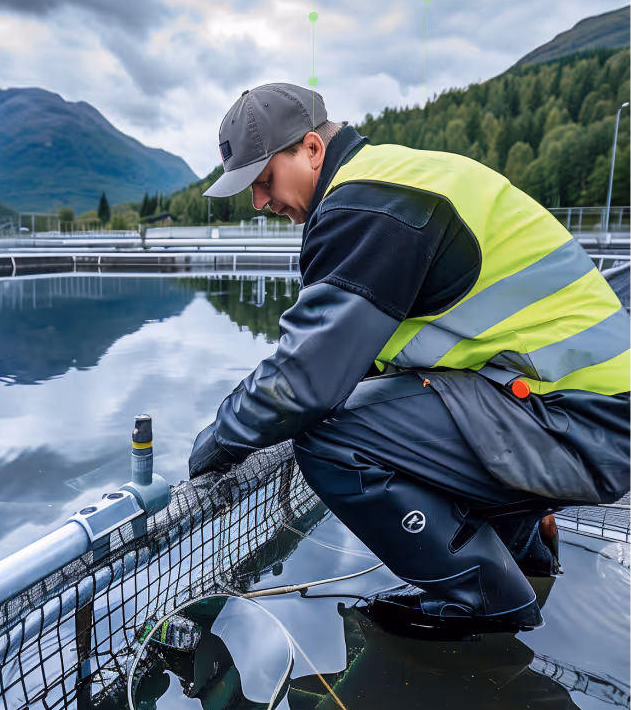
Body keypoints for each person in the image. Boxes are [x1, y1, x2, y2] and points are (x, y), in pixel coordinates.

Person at [188, 82, 631, 635]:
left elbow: (306, 380)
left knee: (327, 437)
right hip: (587, 408)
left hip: (579, 422)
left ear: (311, 149)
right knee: (379, 404)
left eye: (263, 180)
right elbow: (362, 362)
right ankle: (525, 551)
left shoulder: (364, 205)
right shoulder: (394, 179)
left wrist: (221, 437)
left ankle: (482, 597)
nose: (258, 202)